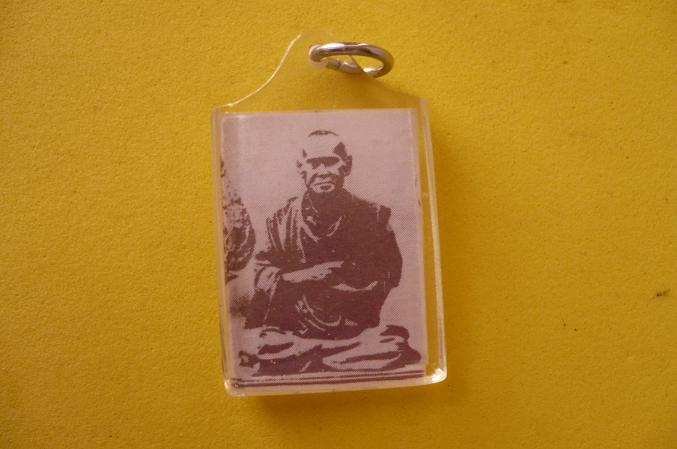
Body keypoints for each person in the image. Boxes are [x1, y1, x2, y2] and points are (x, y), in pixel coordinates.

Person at [239, 130, 420, 375]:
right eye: (314, 163)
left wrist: (349, 282)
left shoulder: (375, 216)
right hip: (295, 332)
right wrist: (307, 275)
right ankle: (324, 355)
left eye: (331, 162)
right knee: (268, 344)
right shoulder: (279, 220)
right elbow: (262, 275)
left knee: (392, 344)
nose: (323, 171)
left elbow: (391, 274)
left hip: (355, 333)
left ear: (347, 165)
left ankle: (312, 356)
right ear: (301, 168)